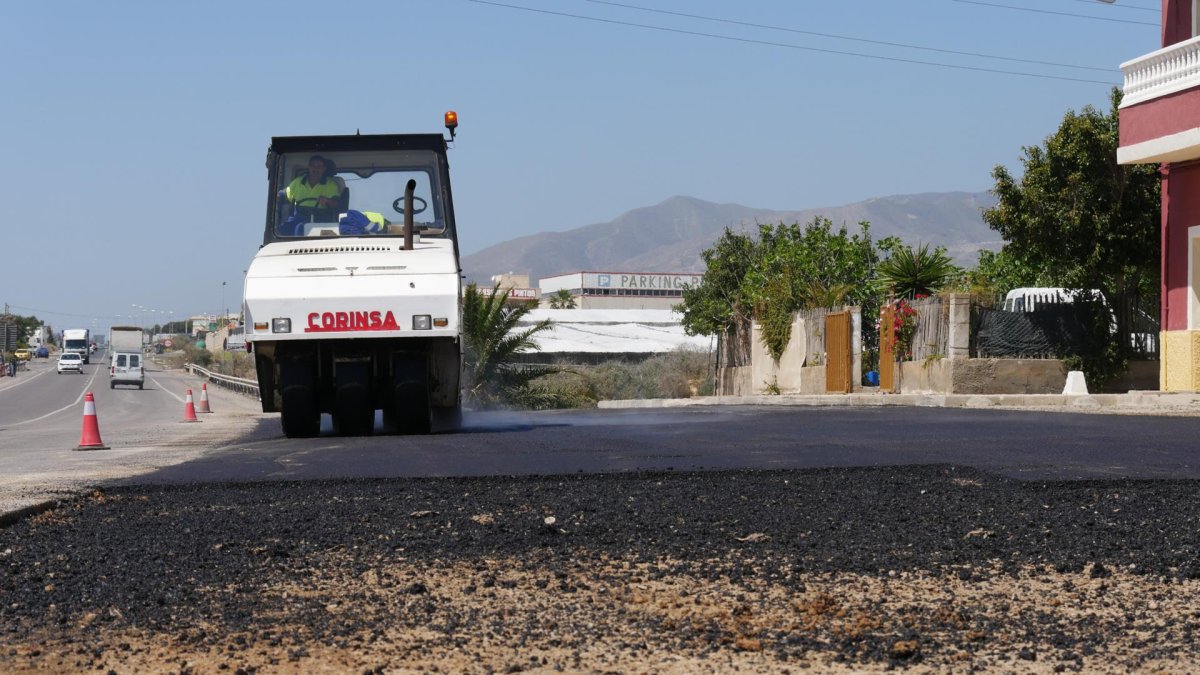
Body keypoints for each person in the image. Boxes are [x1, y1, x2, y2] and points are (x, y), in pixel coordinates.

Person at [281, 155, 343, 231]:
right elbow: (283, 196)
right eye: (312, 166)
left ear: (324, 169)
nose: (315, 169)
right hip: (298, 218)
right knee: (280, 231)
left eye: (319, 166)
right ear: (309, 167)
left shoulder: (330, 185)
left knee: (300, 228)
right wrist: (277, 197)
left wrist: (327, 200)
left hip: (321, 219)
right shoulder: (298, 182)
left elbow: (336, 203)